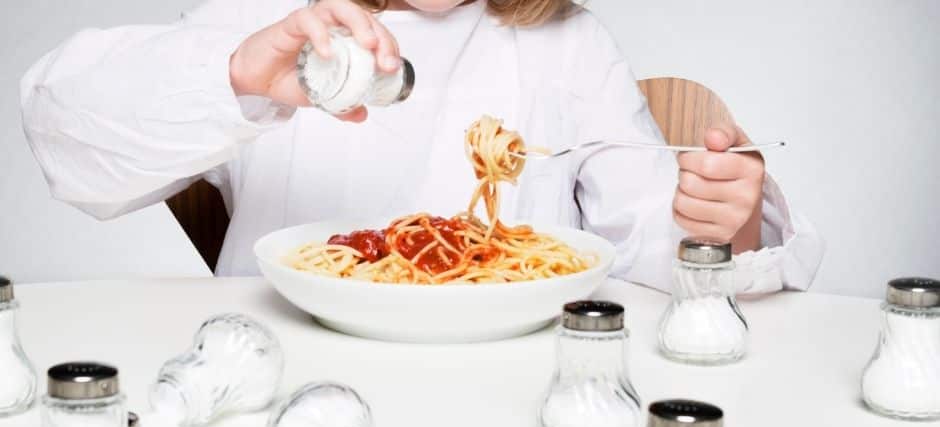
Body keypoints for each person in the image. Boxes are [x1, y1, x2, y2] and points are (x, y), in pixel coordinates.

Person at [20, 0, 823, 292]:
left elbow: (656, 243)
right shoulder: (272, 15)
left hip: (516, 395)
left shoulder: (568, 45)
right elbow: (69, 141)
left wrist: (725, 224)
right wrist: (236, 74)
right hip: (283, 382)